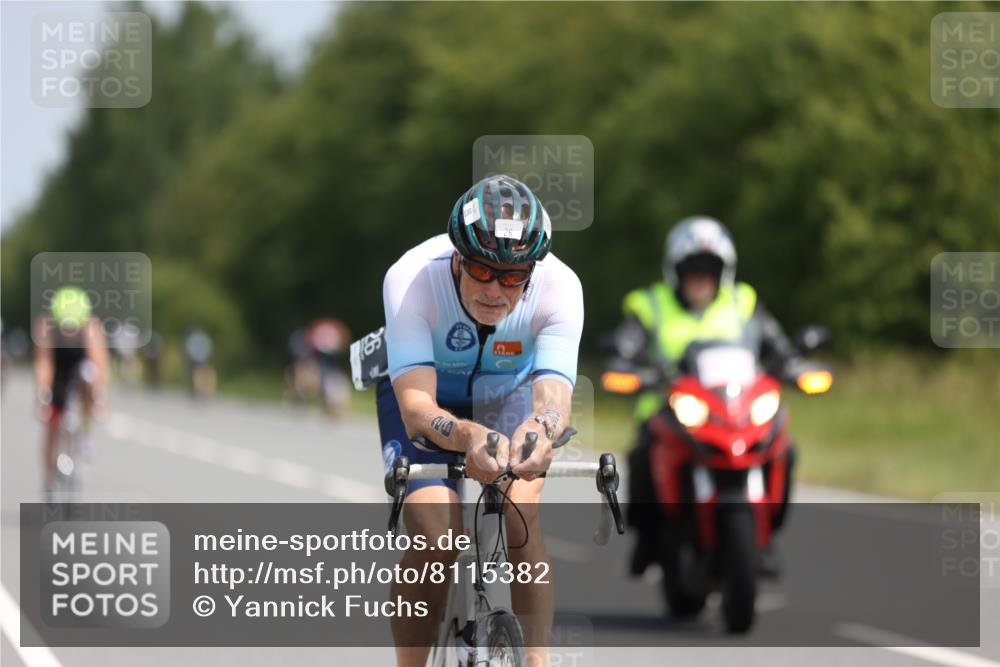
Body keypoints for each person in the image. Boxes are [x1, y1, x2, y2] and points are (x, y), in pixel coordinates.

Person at [377, 175, 583, 667]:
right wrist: (469, 434)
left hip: (510, 391)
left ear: (532, 272)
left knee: (521, 511)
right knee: (435, 537)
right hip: (427, 395)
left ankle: (537, 662)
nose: (495, 289)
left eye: (513, 277)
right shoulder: (411, 279)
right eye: (481, 270)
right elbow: (417, 409)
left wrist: (539, 433)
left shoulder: (561, 286)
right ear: (456, 257)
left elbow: (552, 396)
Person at [615, 216, 801, 575]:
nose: (700, 277)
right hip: (668, 408)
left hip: (736, 409)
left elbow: (778, 346)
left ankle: (765, 536)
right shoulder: (649, 303)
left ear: (724, 271)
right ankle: (647, 538)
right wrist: (627, 365)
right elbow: (626, 345)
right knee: (641, 456)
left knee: (785, 450)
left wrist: (792, 363)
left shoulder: (743, 301)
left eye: (709, 268)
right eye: (692, 268)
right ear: (676, 271)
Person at [33, 286, 110, 492]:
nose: (69, 332)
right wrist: (42, 397)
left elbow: (99, 362)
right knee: (51, 424)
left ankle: (85, 433)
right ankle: (48, 477)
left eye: (73, 327)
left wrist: (100, 398)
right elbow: (44, 364)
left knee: (89, 375)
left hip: (80, 366)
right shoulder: (46, 328)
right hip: (58, 370)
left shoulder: (92, 327)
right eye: (65, 327)